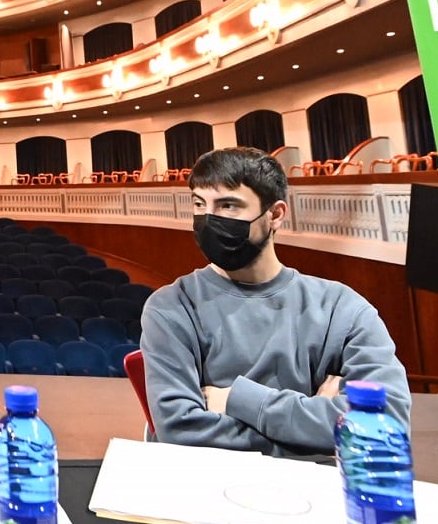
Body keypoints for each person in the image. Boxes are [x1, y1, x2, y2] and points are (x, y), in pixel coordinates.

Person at [139, 147, 409, 457]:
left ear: (276, 214)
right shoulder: (172, 306)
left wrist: (237, 400)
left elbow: (385, 425)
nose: (209, 219)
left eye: (228, 205)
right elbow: (179, 430)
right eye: (200, 204)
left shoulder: (342, 309)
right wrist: (319, 437)